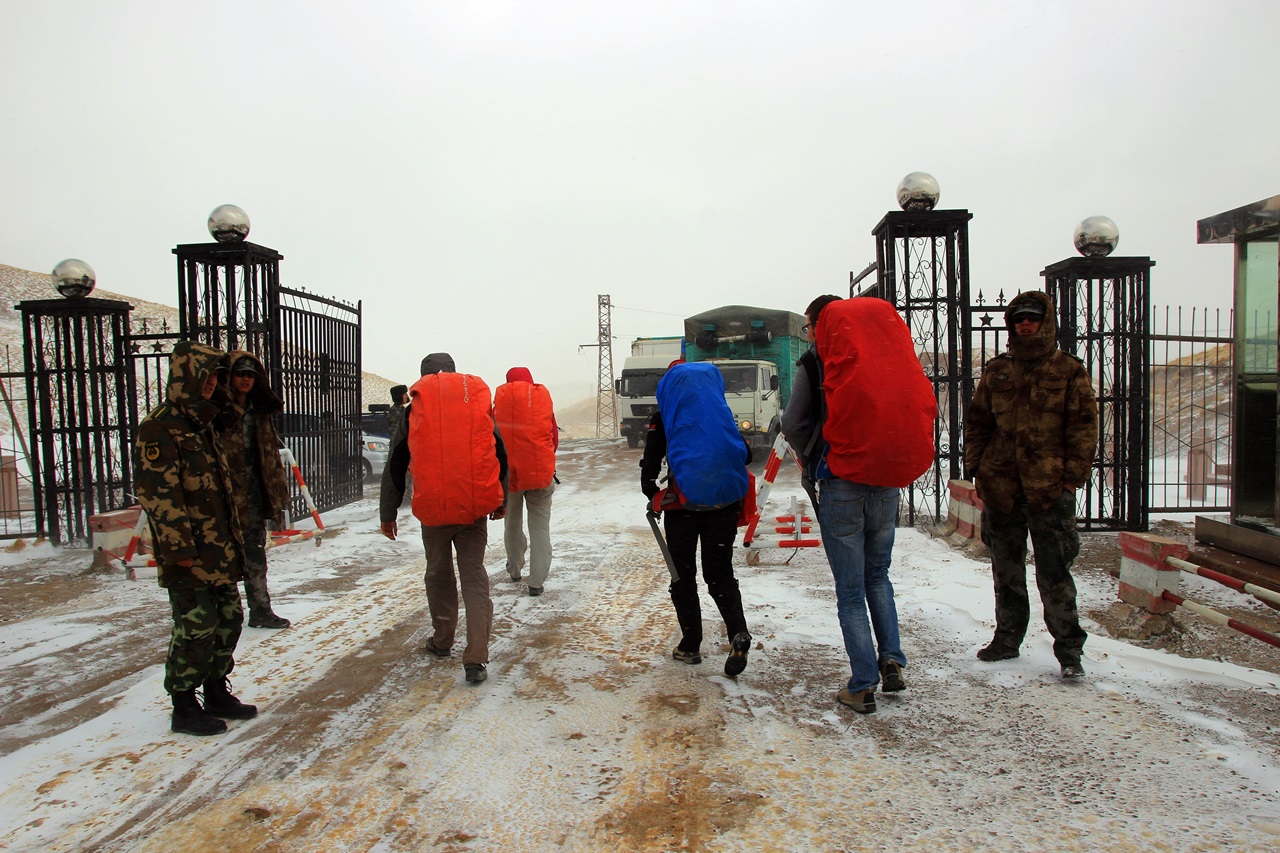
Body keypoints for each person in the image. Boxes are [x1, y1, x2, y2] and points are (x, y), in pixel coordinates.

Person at [810, 297, 937, 715]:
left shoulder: (824, 364)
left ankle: (862, 684)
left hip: (843, 481)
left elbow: (795, 422)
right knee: (878, 577)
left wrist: (812, 460)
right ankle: (892, 660)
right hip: (886, 483)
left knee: (850, 593)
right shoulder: (890, 363)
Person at [964, 291, 1098, 680]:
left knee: (1055, 573)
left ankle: (1070, 651)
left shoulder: (1068, 370)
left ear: (1045, 321)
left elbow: (1084, 427)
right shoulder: (997, 371)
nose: (1025, 324)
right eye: (1019, 318)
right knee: (1006, 570)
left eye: (1032, 318)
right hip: (1002, 487)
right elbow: (978, 423)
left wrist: (1071, 479)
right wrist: (977, 469)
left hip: (1048, 488)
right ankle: (1007, 639)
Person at [134, 340, 257, 736]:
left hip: (218, 547)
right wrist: (178, 547)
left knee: (229, 619)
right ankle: (184, 704)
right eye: (206, 379)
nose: (212, 386)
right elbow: (158, 494)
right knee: (195, 626)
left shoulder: (202, 423)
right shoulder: (160, 427)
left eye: (216, 379)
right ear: (186, 378)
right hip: (188, 551)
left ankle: (216, 689)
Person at [380, 352, 508, 684]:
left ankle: (442, 641)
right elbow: (498, 452)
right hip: (473, 507)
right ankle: (476, 658)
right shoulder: (474, 403)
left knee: (438, 574)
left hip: (434, 510)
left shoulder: (413, 410)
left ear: (423, 377)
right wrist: (501, 497)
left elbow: (396, 462)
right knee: (474, 578)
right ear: (453, 372)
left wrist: (388, 512)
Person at [640, 362, 754, 677]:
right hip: (723, 506)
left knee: (683, 576)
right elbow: (746, 455)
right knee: (719, 574)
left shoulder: (665, 418)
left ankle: (691, 644)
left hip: (683, 511)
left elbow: (649, 474)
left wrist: (654, 493)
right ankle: (738, 633)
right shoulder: (720, 414)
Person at [220, 350, 293, 629]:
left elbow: (270, 455)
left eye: (251, 374)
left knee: (255, 556)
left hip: (253, 495)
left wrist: (277, 494)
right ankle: (226, 615)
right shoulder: (218, 412)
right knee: (225, 559)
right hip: (224, 499)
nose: (246, 379)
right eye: (241, 373)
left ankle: (260, 609)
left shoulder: (260, 410)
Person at [493, 367, 559, 596]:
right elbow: (554, 438)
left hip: (508, 474)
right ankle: (537, 581)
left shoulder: (498, 406)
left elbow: (492, 439)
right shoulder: (541, 401)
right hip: (540, 474)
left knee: (512, 523)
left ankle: (515, 569)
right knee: (540, 528)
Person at [780, 294, 843, 510]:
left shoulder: (815, 359)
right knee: (880, 545)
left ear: (820, 324)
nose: (807, 336)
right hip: (884, 479)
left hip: (837, 475)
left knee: (845, 542)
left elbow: (791, 423)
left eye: (807, 328)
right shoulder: (877, 351)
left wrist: (809, 456)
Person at [387, 384, 409, 449]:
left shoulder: (403, 410)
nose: (406, 396)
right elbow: (395, 431)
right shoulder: (394, 411)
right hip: (397, 446)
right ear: (399, 396)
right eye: (404, 394)